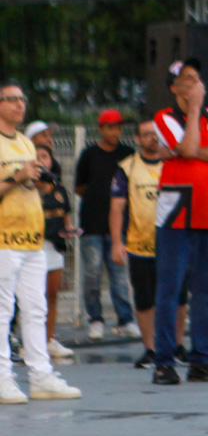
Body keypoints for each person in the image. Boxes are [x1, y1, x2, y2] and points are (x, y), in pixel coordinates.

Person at [151, 58, 208, 386]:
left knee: (205, 290)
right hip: (175, 214)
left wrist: (190, 150)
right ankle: (164, 361)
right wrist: (196, 116)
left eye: (198, 78)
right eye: (188, 79)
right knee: (170, 289)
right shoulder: (164, 117)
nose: (195, 84)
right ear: (175, 88)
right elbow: (186, 145)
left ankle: (201, 360)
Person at [0, 79, 81, 404]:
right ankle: (3, 378)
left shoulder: (24, 142)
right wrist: (17, 177)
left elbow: (29, 186)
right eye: (11, 99)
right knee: (3, 311)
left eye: (22, 99)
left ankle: (41, 376)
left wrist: (38, 179)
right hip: (4, 239)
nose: (20, 104)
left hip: (32, 239)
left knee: (36, 309)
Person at [109, 119, 188, 369]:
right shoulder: (127, 167)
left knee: (179, 297)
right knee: (145, 300)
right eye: (146, 135)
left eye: (156, 135)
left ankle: (176, 344)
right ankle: (151, 348)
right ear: (137, 139)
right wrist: (116, 243)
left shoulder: (173, 163)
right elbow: (117, 207)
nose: (152, 139)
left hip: (174, 243)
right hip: (140, 245)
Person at [75, 109, 137, 340]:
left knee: (119, 274)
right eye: (110, 127)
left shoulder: (128, 154)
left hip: (120, 226)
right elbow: (79, 187)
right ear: (101, 129)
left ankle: (125, 318)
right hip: (92, 224)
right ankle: (96, 318)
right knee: (92, 274)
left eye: (118, 127)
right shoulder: (89, 154)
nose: (114, 131)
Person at [32, 145, 76, 359]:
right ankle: (30, 343)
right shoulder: (27, 187)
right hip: (33, 247)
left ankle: (49, 340)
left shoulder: (59, 189)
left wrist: (69, 231)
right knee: (33, 298)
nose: (41, 160)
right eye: (36, 157)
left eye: (44, 156)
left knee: (52, 296)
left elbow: (66, 218)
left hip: (54, 248)